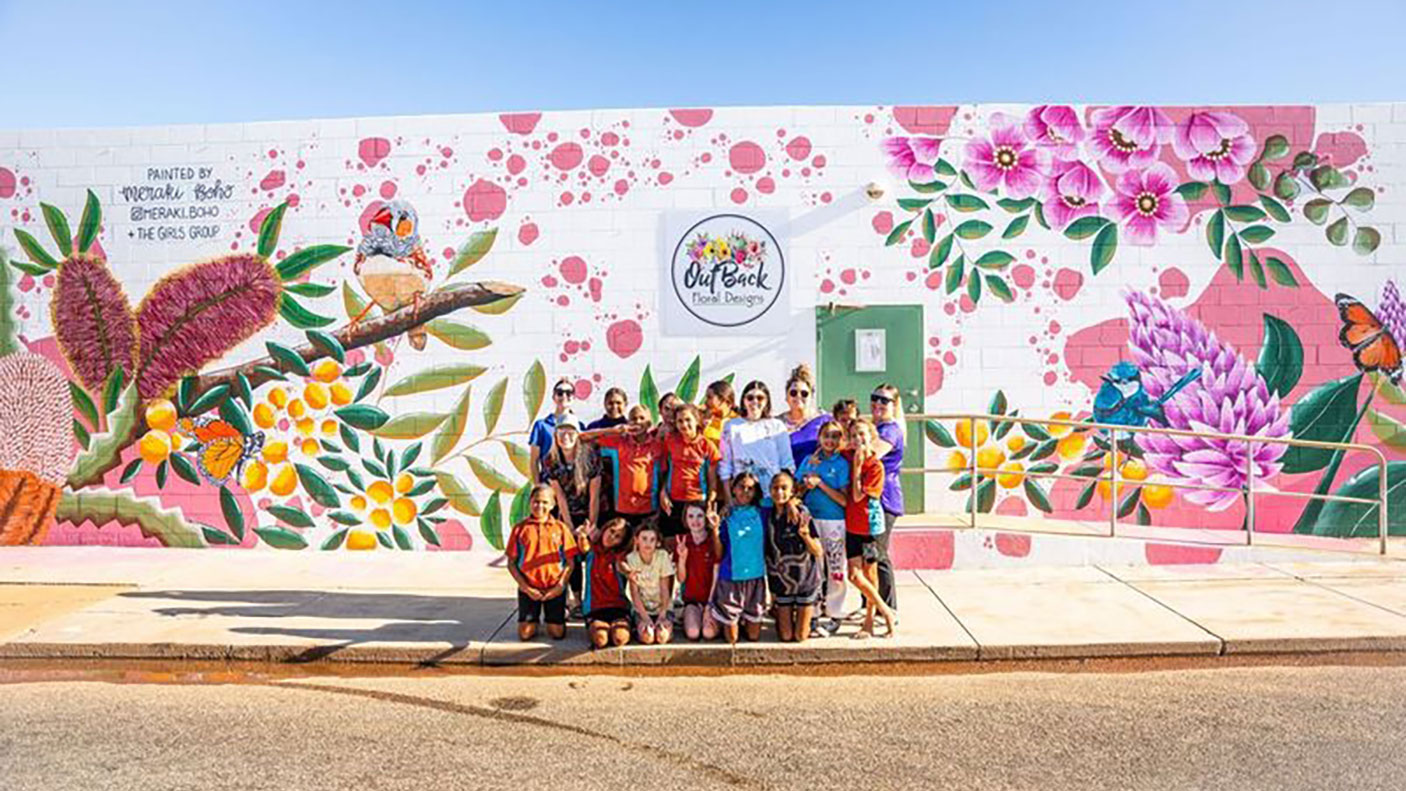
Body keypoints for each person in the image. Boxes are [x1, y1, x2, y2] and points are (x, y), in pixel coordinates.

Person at [539, 420, 599, 619]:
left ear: (578, 435)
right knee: (569, 555)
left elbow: (594, 496)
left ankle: (592, 599)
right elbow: (560, 497)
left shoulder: (590, 458)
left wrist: (591, 524)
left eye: (571, 431)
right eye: (562, 431)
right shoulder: (551, 460)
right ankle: (574, 599)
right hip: (565, 515)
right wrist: (570, 528)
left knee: (590, 555)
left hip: (589, 512)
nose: (566, 436)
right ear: (556, 436)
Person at [797, 418, 850, 636]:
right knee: (814, 568)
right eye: (826, 436)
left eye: (835, 436)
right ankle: (816, 612)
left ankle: (835, 612)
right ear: (819, 437)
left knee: (836, 567)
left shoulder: (841, 464)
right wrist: (806, 484)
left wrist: (821, 484)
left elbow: (844, 500)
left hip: (834, 521)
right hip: (811, 519)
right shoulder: (810, 460)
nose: (830, 440)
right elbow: (797, 490)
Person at [505, 484, 579, 641]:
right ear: (530, 503)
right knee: (525, 634)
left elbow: (570, 563)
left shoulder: (561, 528)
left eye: (545, 502)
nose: (540, 506)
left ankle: (556, 615)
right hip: (529, 588)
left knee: (556, 633)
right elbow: (511, 563)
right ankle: (533, 618)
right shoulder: (520, 529)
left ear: (553, 505)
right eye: (536, 501)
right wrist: (526, 588)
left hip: (554, 588)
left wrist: (560, 586)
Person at [846, 420, 897, 639]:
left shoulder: (875, 466)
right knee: (854, 576)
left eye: (863, 435)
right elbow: (829, 446)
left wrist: (857, 468)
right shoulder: (848, 455)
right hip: (851, 526)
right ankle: (886, 611)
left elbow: (858, 496)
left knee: (870, 574)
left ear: (872, 436)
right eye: (855, 435)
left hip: (868, 528)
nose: (859, 439)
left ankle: (870, 620)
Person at [764, 471, 823, 643]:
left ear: (792, 491)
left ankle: (808, 618)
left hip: (805, 579)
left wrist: (805, 536)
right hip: (782, 582)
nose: (779, 492)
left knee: (799, 637)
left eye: (784, 488)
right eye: (775, 488)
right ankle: (783, 614)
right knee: (786, 636)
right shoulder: (767, 513)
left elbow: (818, 551)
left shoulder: (802, 512)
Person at [708, 473, 768, 643]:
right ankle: (726, 619)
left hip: (755, 579)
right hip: (731, 579)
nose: (745, 491)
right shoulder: (725, 516)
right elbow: (719, 554)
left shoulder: (762, 513)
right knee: (732, 639)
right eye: (742, 486)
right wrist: (715, 530)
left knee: (754, 636)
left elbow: (786, 500)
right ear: (733, 489)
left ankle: (743, 618)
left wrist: (793, 503)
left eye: (751, 488)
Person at [587, 405, 664, 533]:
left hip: (649, 510)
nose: (638, 422)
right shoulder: (618, 442)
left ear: (649, 423)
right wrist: (613, 431)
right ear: (628, 422)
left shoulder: (658, 446)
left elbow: (664, 475)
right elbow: (584, 438)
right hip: (622, 510)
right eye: (633, 419)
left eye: (642, 418)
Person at [718, 380, 794, 507]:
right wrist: (728, 499)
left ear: (767, 401)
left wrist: (788, 499)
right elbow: (725, 467)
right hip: (743, 496)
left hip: (772, 496)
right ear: (743, 400)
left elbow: (787, 464)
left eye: (760, 398)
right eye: (750, 397)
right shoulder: (731, 426)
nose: (755, 402)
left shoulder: (777, 426)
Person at [658, 404, 721, 551]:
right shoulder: (670, 441)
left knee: (697, 547)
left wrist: (710, 506)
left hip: (697, 502)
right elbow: (664, 471)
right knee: (671, 545)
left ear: (697, 421)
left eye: (688, 420)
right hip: (673, 502)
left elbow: (712, 482)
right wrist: (662, 492)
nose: (684, 424)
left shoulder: (707, 446)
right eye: (680, 421)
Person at [868, 383, 905, 612]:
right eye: (875, 398)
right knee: (868, 555)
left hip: (885, 498)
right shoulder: (875, 427)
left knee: (879, 554)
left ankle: (889, 607)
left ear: (894, 405)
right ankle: (870, 604)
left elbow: (872, 454)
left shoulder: (890, 430)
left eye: (885, 400)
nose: (878, 404)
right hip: (871, 498)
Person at [580, 517, 633, 649]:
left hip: (618, 606)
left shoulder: (619, 555)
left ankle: (626, 626)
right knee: (600, 639)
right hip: (595, 608)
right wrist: (582, 534)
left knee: (619, 638)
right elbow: (584, 546)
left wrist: (628, 572)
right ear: (605, 529)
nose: (612, 537)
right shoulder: (592, 550)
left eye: (618, 536)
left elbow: (622, 566)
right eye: (611, 531)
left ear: (621, 541)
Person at [623, 523, 675, 645]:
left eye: (652, 540)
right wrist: (645, 618)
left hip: (662, 608)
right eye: (644, 539)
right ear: (636, 540)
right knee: (648, 637)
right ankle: (638, 629)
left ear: (657, 542)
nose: (648, 543)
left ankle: (667, 628)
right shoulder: (631, 559)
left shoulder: (662, 556)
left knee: (661, 637)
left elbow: (664, 589)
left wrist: (662, 615)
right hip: (642, 609)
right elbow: (634, 593)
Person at [676, 502, 719, 641]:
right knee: (693, 633)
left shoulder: (713, 541)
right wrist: (682, 559)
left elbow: (716, 575)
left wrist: (710, 605)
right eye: (691, 516)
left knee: (708, 633)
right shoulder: (683, 541)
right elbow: (681, 579)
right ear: (686, 519)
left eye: (700, 516)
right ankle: (689, 617)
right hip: (692, 600)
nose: (695, 521)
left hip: (712, 600)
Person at [528, 378, 577, 484]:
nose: (564, 396)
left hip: (572, 485)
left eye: (568, 393)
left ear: (573, 397)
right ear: (554, 397)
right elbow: (534, 461)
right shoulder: (541, 426)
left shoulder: (579, 426)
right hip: (548, 483)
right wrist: (537, 486)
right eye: (560, 393)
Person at [781, 364, 829, 464]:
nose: (798, 396)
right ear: (786, 397)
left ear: (811, 396)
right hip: (786, 475)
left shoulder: (825, 421)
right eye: (793, 393)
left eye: (804, 393)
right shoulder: (776, 424)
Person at [702, 379, 738, 445]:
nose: (706, 402)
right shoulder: (701, 416)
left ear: (723, 400)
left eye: (709, 397)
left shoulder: (737, 421)